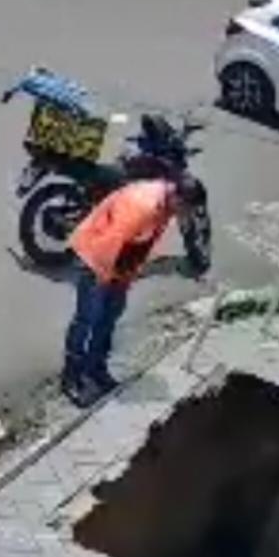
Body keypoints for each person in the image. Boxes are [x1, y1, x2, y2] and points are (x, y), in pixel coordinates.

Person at [62, 171, 208, 408]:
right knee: (87, 319)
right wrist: (104, 277)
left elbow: (143, 242)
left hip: (120, 258)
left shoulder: (167, 205)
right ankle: (71, 377)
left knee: (109, 316)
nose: (187, 216)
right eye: (187, 210)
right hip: (95, 256)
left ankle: (95, 368)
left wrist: (126, 276)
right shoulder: (143, 205)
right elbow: (111, 241)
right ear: (178, 199)